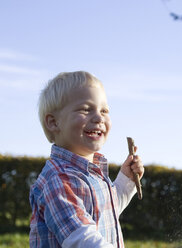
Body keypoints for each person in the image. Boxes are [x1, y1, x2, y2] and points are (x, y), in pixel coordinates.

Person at [29, 71, 144, 247]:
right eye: (85, 109)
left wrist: (125, 180)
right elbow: (82, 238)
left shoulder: (92, 173)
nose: (99, 118)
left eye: (104, 110)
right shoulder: (58, 180)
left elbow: (105, 211)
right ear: (53, 122)